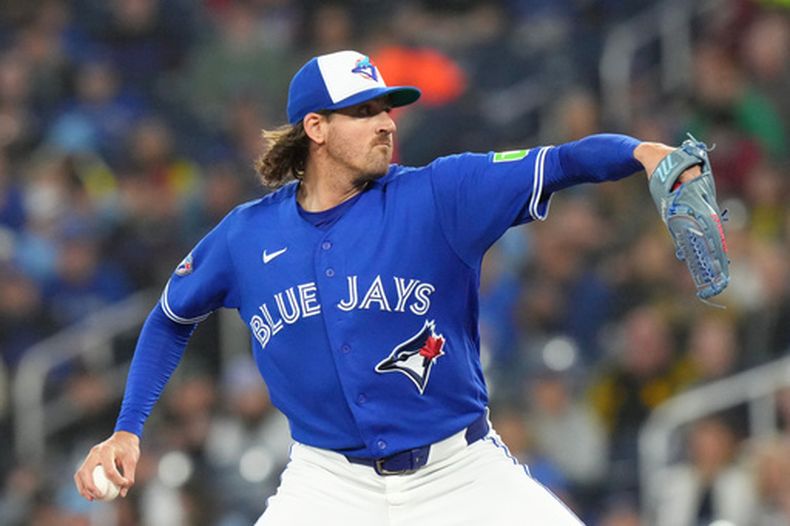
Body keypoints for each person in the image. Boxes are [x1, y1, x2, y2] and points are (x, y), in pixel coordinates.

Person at [74, 50, 702, 525]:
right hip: (327, 483)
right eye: (364, 111)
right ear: (315, 128)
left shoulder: (439, 194)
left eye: (386, 108)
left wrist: (644, 153)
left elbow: (561, 161)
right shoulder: (245, 236)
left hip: (460, 471)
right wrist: (128, 427)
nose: (386, 123)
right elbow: (170, 317)